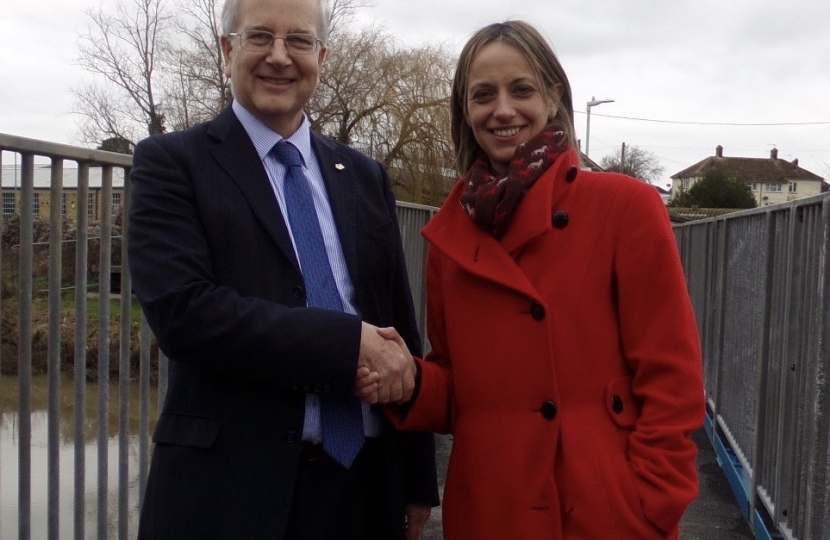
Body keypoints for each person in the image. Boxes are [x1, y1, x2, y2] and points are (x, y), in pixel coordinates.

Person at [126, 0, 438, 537]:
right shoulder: (172, 164)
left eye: (297, 40)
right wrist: (346, 346)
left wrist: (416, 478)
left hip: (362, 490)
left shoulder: (364, 177)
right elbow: (185, 313)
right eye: (260, 38)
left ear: (320, 54)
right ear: (227, 51)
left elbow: (398, 328)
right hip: (230, 493)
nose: (278, 57)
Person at [382, 20, 705, 540]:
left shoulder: (625, 207)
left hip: (600, 512)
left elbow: (672, 380)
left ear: (554, 97)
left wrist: (653, 504)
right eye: (483, 95)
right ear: (465, 111)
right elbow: (460, 390)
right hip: (490, 509)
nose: (503, 110)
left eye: (522, 89)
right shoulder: (449, 235)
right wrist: (402, 380)